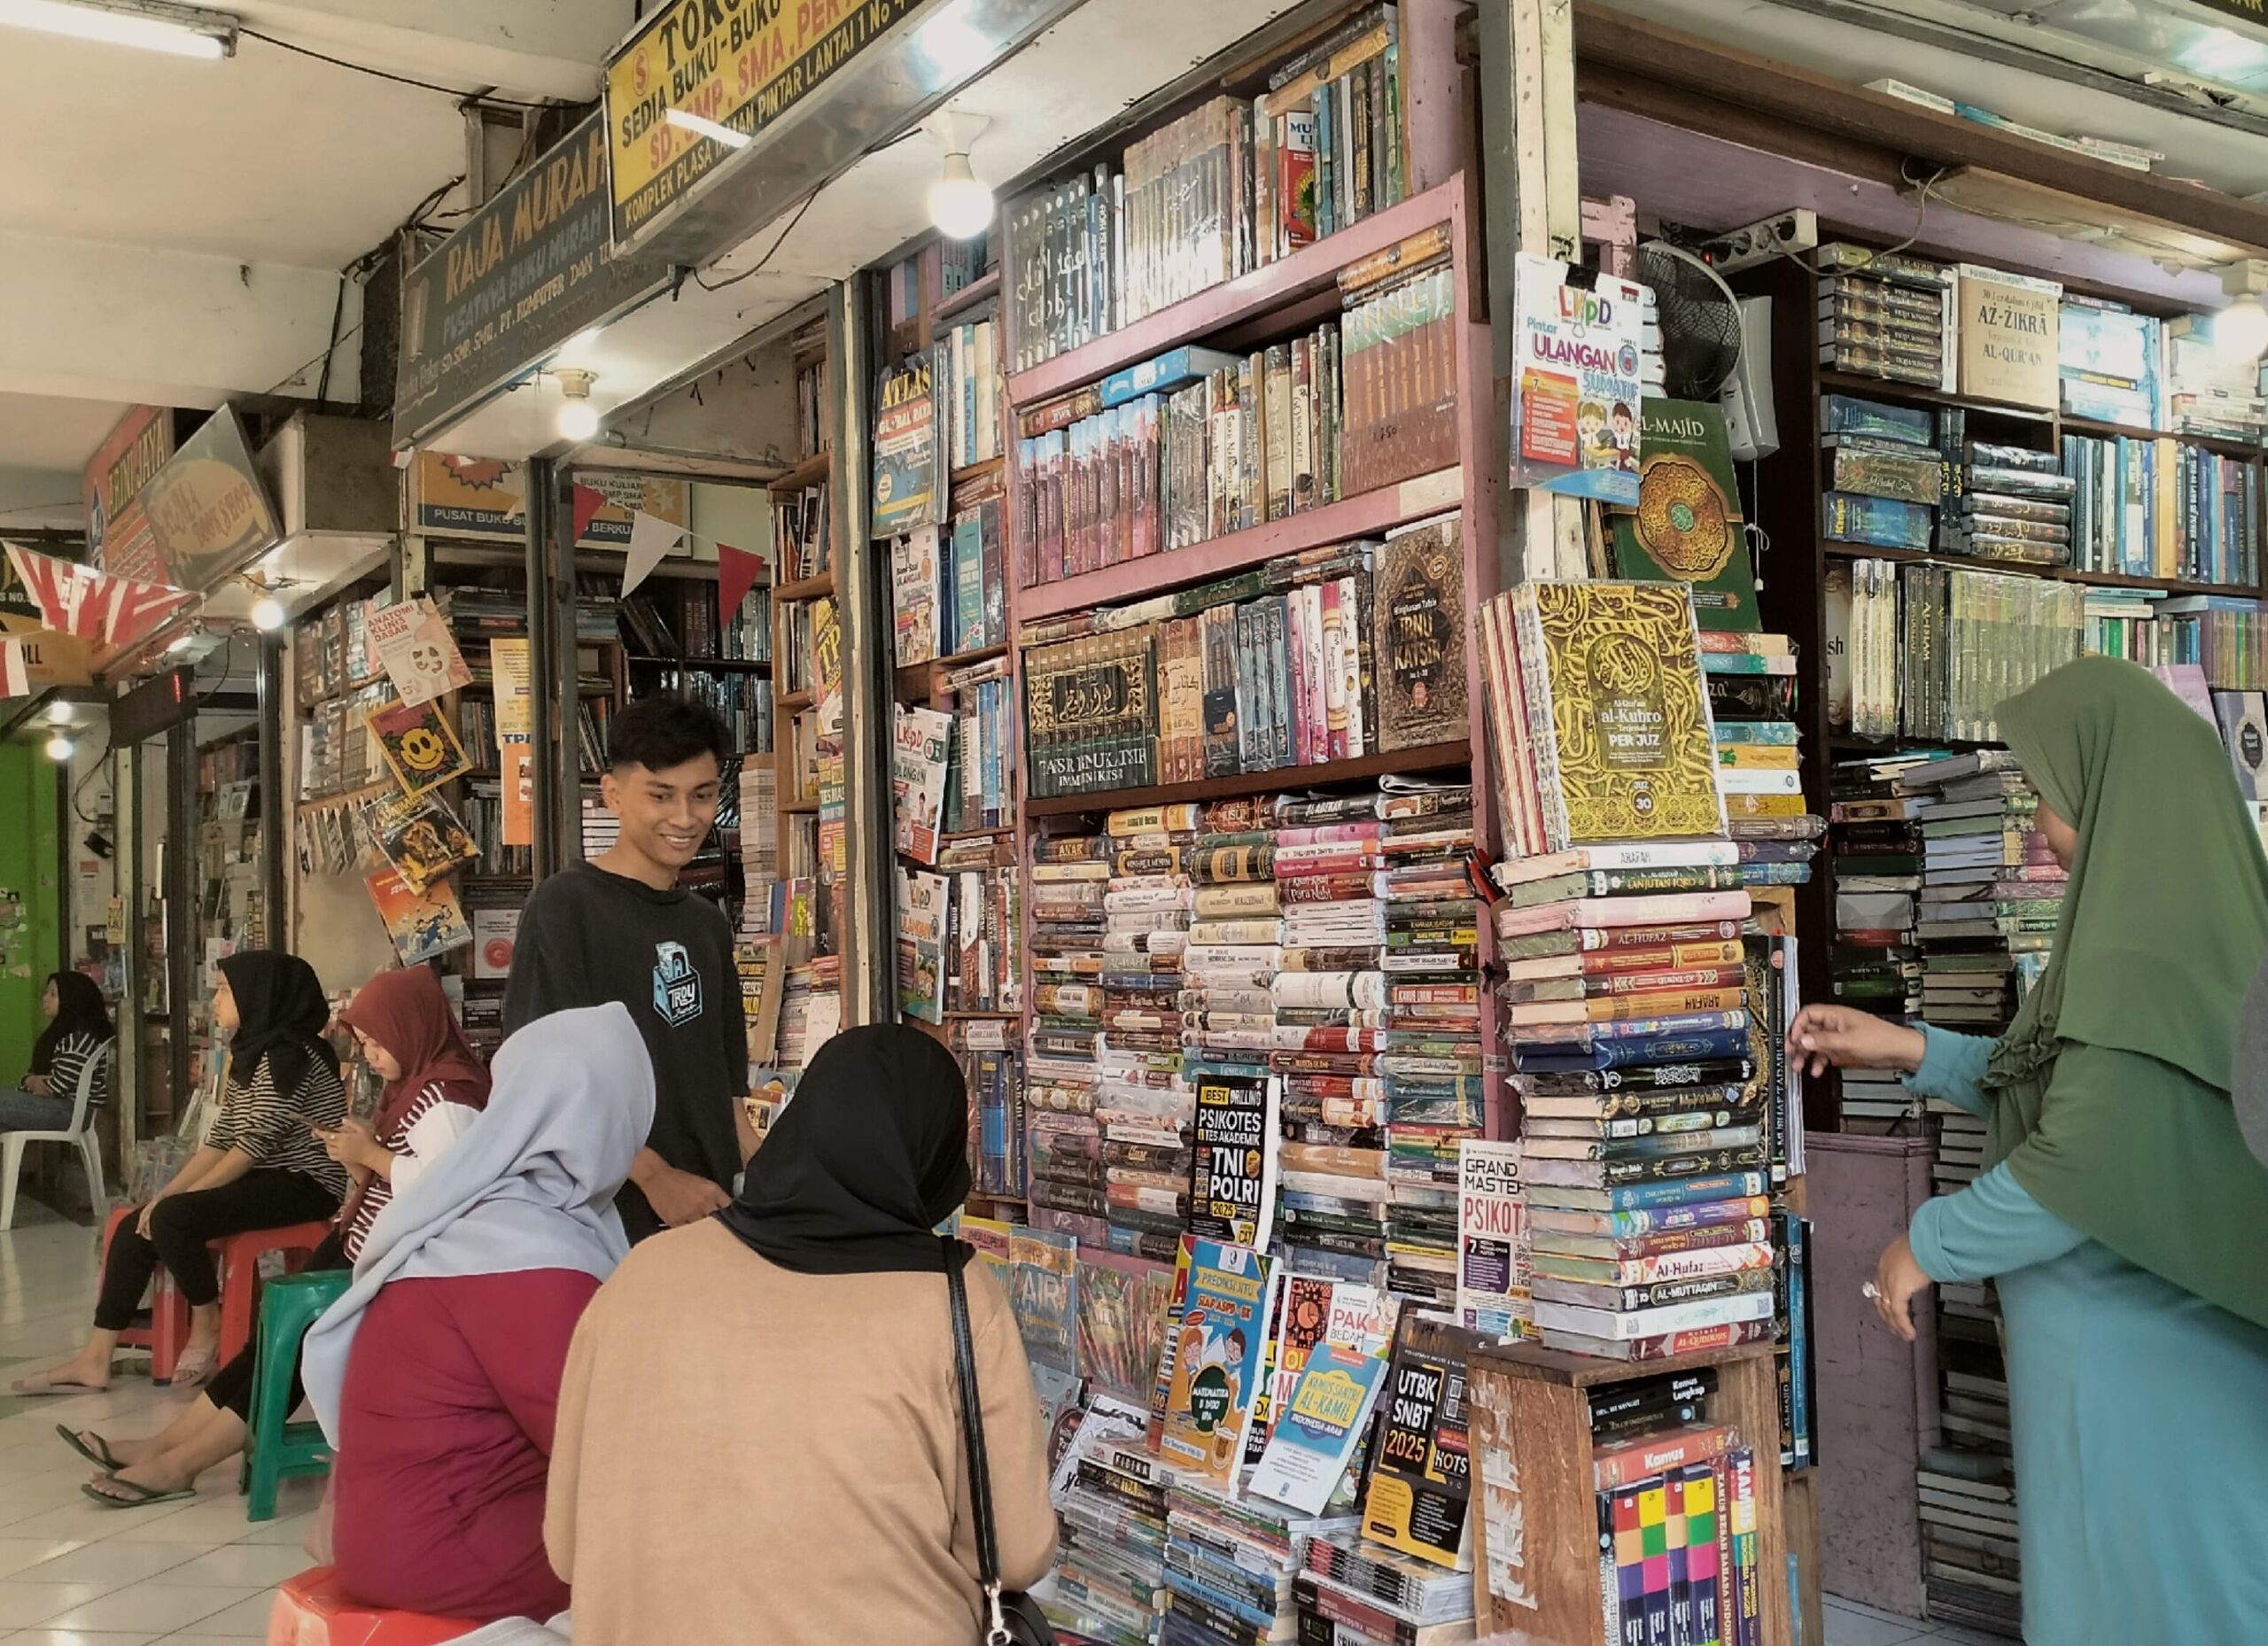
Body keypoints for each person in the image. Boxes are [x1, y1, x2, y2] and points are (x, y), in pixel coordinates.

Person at [1786, 656, 2268, 1645]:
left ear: (2112, 797)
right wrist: (1907, 1046)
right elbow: (2062, 1076)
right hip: (2131, 1361)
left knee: (2147, 1599)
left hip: (2142, 1367)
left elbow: (2078, 1159)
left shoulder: (2140, 952)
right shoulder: (2163, 924)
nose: (2032, 835)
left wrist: (1925, 1243)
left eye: (2046, 799)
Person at [544, 1025, 1056, 1646]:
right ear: (933, 1153)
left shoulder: (641, 1277)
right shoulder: (955, 1299)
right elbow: (1016, 1553)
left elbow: (567, 1548)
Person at [66, 964, 490, 1507]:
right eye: (364, 1044)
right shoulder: (411, 1086)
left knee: (290, 1348)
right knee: (268, 1341)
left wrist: (370, 1157)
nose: (371, 1056)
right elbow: (389, 1180)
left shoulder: (445, 1098)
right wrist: (360, 1161)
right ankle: (168, 1444)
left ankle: (183, 1462)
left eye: (378, 1042)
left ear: (412, 1027)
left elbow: (450, 1191)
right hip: (367, 1241)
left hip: (401, 1265)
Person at [300, 1002, 651, 1624]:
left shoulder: (491, 1211)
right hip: (442, 1547)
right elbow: (593, 1437)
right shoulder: (523, 1245)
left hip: (400, 1529)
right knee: (695, 1547)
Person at [15, 951, 349, 1395]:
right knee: (139, 1222)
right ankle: (97, 1355)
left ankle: (207, 1322)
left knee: (174, 1217)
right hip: (265, 1175)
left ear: (259, 996)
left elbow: (251, 1147)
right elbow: (221, 1138)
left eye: (225, 991)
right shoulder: (253, 1054)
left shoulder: (292, 1057)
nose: (215, 1001)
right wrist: (162, 1194)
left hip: (304, 1184)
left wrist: (175, 1203)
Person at [502, 693, 752, 1241]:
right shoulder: (564, 906)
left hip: (711, 1211)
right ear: (613, 794)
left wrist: (772, 1174)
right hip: (606, 1216)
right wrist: (654, 1175)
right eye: (661, 796)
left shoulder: (706, 924)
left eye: (702, 795)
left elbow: (727, 1089)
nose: (685, 818)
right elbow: (545, 1084)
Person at [0, 970, 111, 1131]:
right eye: (47, 993)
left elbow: (55, 1088)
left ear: (73, 1000)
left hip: (72, 1112)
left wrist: (31, 1082)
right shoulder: (58, 1035)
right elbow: (33, 1075)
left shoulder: (81, 1039)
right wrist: (30, 1080)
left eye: (53, 995)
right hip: (56, 1107)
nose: (45, 999)